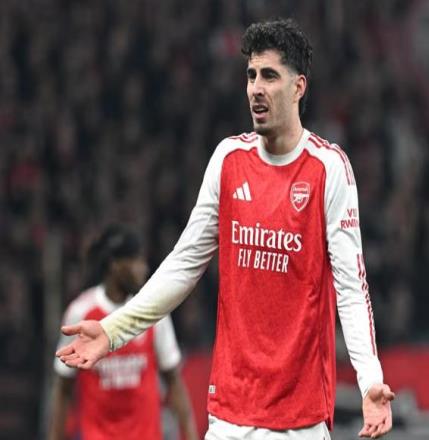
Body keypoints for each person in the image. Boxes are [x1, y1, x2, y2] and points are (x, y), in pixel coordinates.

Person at [57, 19, 395, 439]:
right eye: (251, 75)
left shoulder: (328, 169)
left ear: (298, 87)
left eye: (269, 76)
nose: (255, 88)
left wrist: (369, 379)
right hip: (229, 417)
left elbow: (351, 287)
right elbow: (184, 264)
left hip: (299, 421)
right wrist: (112, 331)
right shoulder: (228, 160)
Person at [49, 224, 198, 440]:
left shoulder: (153, 311)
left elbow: (174, 382)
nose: (143, 268)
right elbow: (64, 388)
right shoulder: (80, 313)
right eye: (137, 260)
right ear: (115, 265)